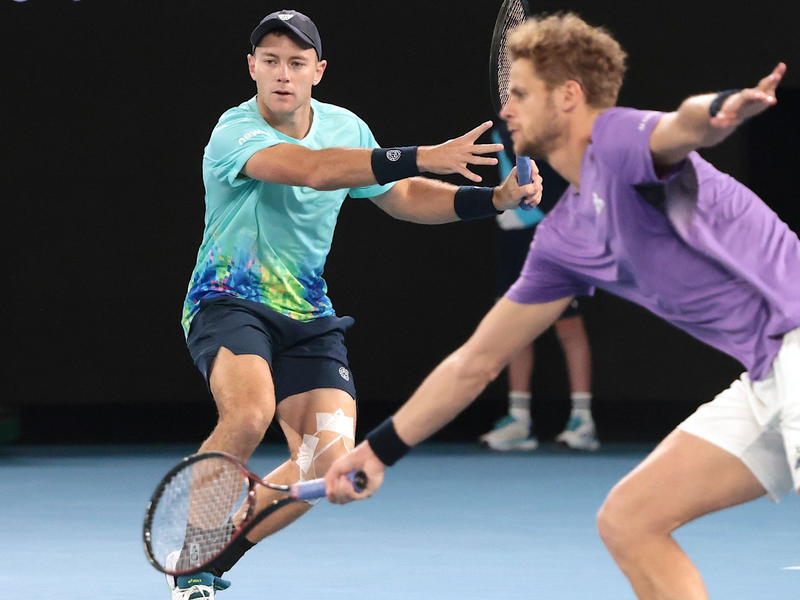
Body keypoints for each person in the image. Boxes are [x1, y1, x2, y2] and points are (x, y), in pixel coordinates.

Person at [325, 13, 798, 600]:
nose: (507, 110)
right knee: (630, 520)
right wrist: (379, 449)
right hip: (769, 374)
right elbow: (476, 361)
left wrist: (723, 106)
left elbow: (683, 125)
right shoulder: (564, 238)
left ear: (570, 96)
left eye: (521, 94)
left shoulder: (619, 141)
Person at [171, 9, 541, 600]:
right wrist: (423, 152)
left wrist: (490, 200)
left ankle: (216, 558)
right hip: (229, 301)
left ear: (317, 70)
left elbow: (401, 197)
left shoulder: (346, 126)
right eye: (270, 62)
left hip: (310, 317)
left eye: (296, 63)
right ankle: (191, 553)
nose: (282, 74)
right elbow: (314, 172)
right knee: (247, 414)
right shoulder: (233, 132)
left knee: (327, 464)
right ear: (252, 68)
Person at [479, 121, 597, 451]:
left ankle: (583, 419)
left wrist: (552, 220)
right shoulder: (505, 123)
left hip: (553, 233)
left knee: (568, 325)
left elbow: (569, 177)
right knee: (513, 327)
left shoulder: (549, 121)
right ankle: (519, 420)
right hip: (513, 236)